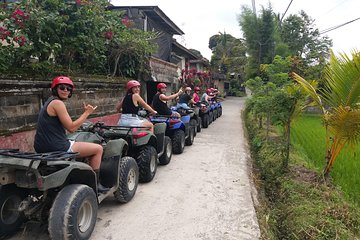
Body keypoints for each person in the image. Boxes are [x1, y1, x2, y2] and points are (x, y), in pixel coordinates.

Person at [34, 76, 108, 192]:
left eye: (68, 89)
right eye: (62, 87)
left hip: (40, 147)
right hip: (57, 147)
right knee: (98, 149)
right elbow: (72, 128)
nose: (65, 90)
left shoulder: (49, 101)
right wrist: (87, 113)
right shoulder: (58, 103)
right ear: (55, 89)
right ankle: (95, 185)